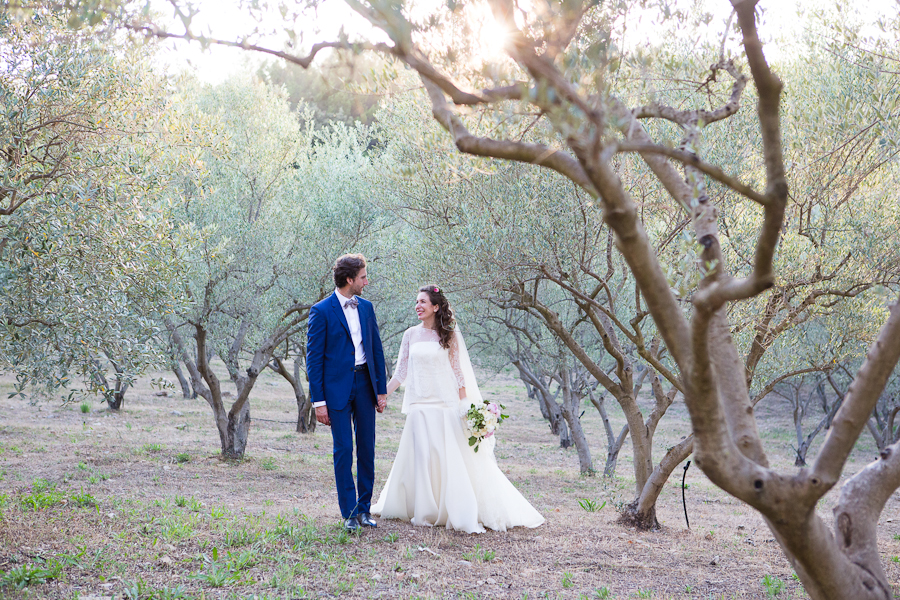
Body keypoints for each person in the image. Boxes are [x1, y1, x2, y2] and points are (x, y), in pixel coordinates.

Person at [371, 285, 544, 533]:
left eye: (423, 302)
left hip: (444, 408)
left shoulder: (448, 335)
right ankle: (424, 509)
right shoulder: (410, 334)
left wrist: (465, 405)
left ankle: (450, 507)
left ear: (436, 307)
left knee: (446, 459)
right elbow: (401, 372)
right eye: (416, 302)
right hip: (420, 408)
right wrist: (382, 395)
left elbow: (458, 373)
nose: (417, 306)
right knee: (421, 459)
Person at [307, 254, 388, 532]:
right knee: (343, 449)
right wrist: (319, 402)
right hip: (336, 390)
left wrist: (381, 389)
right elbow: (313, 360)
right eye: (363, 277)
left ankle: (365, 510)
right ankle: (349, 513)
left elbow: (376, 349)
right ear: (350, 279)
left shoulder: (366, 307)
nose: (367, 281)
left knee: (367, 448)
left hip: (366, 384)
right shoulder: (320, 311)